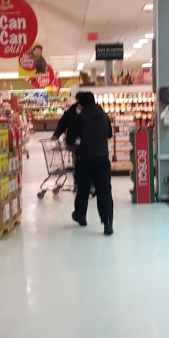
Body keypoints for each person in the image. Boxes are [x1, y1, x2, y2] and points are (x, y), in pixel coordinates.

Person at [71, 91, 114, 236]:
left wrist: (78, 141)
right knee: (104, 191)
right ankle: (108, 222)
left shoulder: (80, 118)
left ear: (81, 104)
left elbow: (70, 139)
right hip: (102, 159)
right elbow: (109, 134)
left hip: (84, 160)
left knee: (83, 189)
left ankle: (81, 215)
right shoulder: (104, 116)